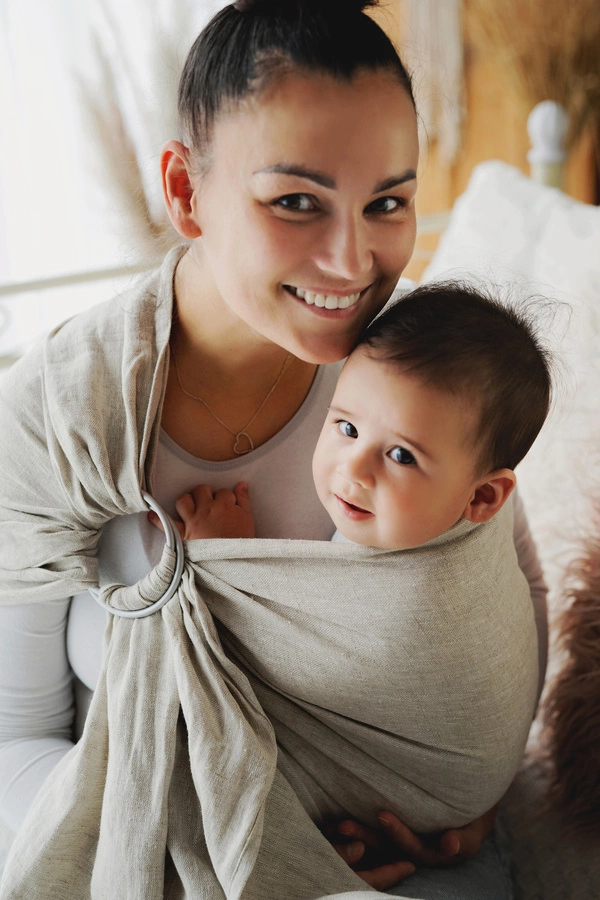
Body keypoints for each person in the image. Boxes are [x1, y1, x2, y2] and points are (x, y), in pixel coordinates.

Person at [0, 1, 548, 897]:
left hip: (410, 860)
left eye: (387, 203)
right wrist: (240, 850)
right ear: (185, 192)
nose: (352, 263)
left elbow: (503, 595)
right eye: (296, 202)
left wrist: (469, 798)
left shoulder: (413, 362)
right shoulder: (62, 420)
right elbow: (14, 738)